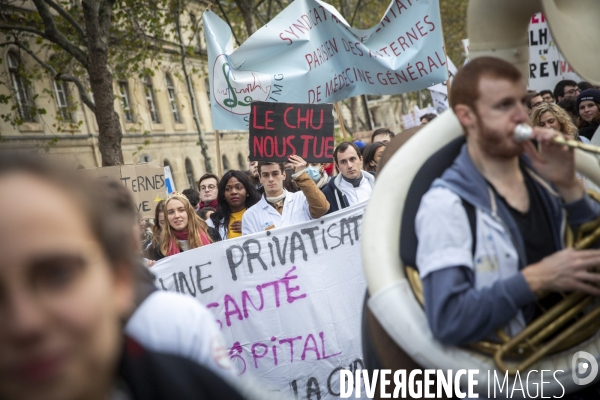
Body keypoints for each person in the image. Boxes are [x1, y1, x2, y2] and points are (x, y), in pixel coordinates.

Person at [0, 154, 245, 400]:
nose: (24, 322)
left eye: (58, 275)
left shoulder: (196, 385)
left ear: (119, 279)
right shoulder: (157, 249)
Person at [415, 57, 600, 348]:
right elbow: (449, 320)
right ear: (467, 117)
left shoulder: (546, 176)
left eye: (521, 102)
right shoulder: (444, 205)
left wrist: (570, 191)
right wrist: (536, 279)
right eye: (503, 105)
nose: (521, 116)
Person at [242, 155, 329, 235]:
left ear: (283, 175)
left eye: (275, 174)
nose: (271, 179)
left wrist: (301, 175)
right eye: (265, 175)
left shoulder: (302, 198)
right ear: (260, 178)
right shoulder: (250, 215)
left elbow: (322, 208)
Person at [151, 193, 216, 260]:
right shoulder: (161, 249)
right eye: (171, 212)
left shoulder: (211, 234)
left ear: (189, 212)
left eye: (181, 210)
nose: (176, 216)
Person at [321, 141, 375, 214]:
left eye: (352, 159)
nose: (349, 166)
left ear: (361, 160)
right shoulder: (328, 194)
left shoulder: (379, 182)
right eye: (343, 162)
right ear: (338, 166)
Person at [208, 170, 261, 240]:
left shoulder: (260, 214)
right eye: (228, 189)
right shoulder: (212, 223)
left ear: (247, 191)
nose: (233, 192)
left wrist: (250, 229)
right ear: (223, 194)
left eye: (238, 188)